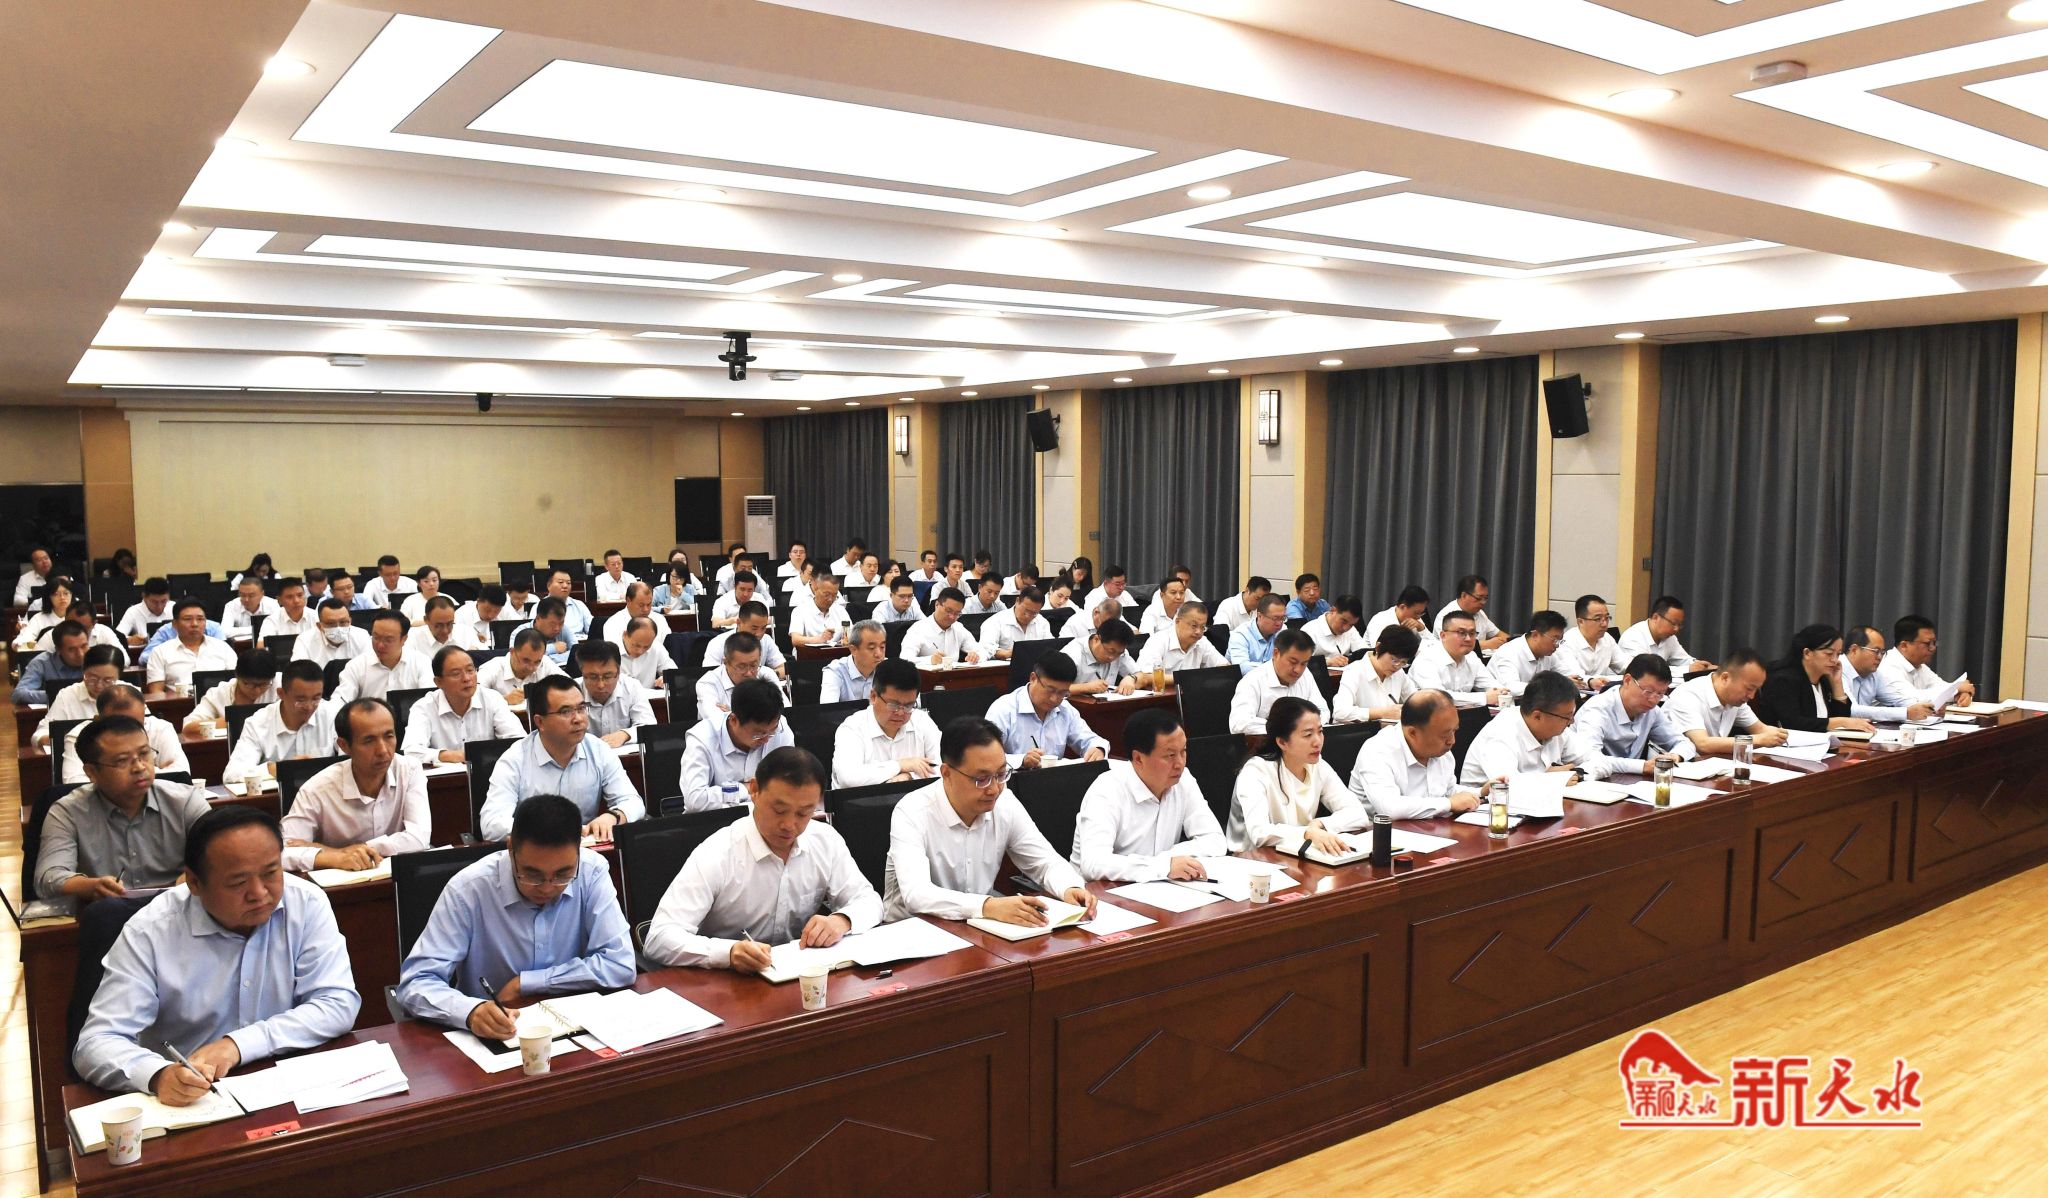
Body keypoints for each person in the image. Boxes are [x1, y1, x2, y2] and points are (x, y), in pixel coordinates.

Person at [72, 806, 360, 1103]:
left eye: (271, 873)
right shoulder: (150, 931)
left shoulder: (307, 903)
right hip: (195, 1098)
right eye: (238, 883)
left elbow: (336, 1003)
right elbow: (97, 1043)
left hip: (290, 1085)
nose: (259, 893)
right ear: (194, 882)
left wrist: (237, 1046)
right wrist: (159, 1075)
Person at [396, 794, 634, 1037]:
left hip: (576, 1026)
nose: (547, 887)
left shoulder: (591, 873)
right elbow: (416, 983)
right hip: (494, 1033)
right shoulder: (468, 890)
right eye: (532, 875)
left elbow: (620, 963)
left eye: (563, 874)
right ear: (511, 849)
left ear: (578, 853)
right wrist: (471, 1012)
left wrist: (527, 983)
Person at [646, 746, 879, 971]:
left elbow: (869, 901)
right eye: (779, 810)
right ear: (754, 790)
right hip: (727, 981)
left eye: (803, 813)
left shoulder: (825, 840)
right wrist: (727, 953)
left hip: (799, 973)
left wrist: (843, 920)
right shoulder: (718, 852)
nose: (789, 825)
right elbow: (658, 938)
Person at [883, 717, 1095, 924]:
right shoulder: (912, 811)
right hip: (912, 931)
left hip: (981, 927)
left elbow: (1044, 862)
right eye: (981, 779)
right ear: (947, 773)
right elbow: (917, 894)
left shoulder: (1004, 802)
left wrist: (1069, 887)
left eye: (1001, 774)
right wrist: (987, 906)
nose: (994, 789)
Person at [37, 714, 212, 900]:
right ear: (92, 772)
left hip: (179, 905)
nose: (139, 767)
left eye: (144, 754)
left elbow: (219, 857)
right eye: (122, 760)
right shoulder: (68, 812)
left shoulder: (185, 801)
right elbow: (49, 878)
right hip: (107, 910)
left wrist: (194, 876)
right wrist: (91, 886)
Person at [481, 676, 643, 842]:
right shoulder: (514, 759)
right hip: (536, 849)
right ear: (540, 722)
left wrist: (614, 816)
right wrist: (551, 830)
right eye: (566, 712)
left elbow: (632, 801)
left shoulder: (598, 750)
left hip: (587, 849)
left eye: (581, 708)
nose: (578, 719)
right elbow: (491, 824)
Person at [1073, 709, 1224, 881]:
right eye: (1170, 755)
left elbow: (1215, 840)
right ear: (1138, 758)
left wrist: (1169, 859)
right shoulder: (1107, 790)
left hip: (1158, 886)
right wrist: (1163, 866)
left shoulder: (1184, 780)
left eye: (1183, 751)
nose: (1180, 763)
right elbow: (1093, 864)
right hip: (1100, 891)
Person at [281, 698, 431, 872]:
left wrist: (341, 852)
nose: (383, 750)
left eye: (389, 736)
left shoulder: (409, 770)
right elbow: (283, 851)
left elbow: (419, 838)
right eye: (369, 741)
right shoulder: (317, 789)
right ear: (344, 746)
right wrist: (337, 857)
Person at [1228, 697, 1369, 853]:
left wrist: (1320, 824)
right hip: (1253, 858)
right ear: (1282, 742)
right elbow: (1259, 833)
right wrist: (1307, 833)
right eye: (1308, 735)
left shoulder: (1318, 765)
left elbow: (1358, 813)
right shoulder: (1255, 771)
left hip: (1299, 853)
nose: (1318, 742)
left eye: (1320, 732)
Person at [1346, 689, 1485, 818]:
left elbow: (1448, 791)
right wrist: (1449, 804)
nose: (1452, 741)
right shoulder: (1377, 751)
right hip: (1376, 832)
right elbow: (1390, 808)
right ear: (1412, 733)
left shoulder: (1441, 751)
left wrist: (1480, 792)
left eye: (1454, 731)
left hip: (1427, 828)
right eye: (1445, 735)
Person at [1459, 670, 1602, 785]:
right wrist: (1550, 779)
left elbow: (1600, 760)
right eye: (1567, 717)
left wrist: (1578, 773)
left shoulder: (1556, 726)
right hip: (1487, 808)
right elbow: (1507, 785)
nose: (1571, 722)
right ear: (1537, 716)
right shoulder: (1500, 734)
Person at [677, 678, 794, 811]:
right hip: (717, 819)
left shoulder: (781, 728)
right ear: (734, 720)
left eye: (771, 732)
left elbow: (791, 781)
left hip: (770, 815)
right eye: (758, 734)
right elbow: (695, 800)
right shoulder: (702, 738)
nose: (766, 739)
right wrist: (747, 788)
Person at [984, 652, 1110, 768]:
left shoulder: (1065, 710)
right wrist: (1021, 760)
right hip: (1014, 780)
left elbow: (1090, 739)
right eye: (1050, 690)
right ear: (1033, 678)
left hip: (1054, 779)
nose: (1054, 699)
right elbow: (986, 755)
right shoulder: (1003, 709)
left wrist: (1098, 749)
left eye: (1062, 693)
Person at [404, 646, 525, 763]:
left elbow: (519, 742)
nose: (466, 678)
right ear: (439, 682)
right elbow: (412, 752)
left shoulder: (492, 699)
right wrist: (459, 756)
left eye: (470, 670)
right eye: (456, 674)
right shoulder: (423, 708)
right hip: (448, 776)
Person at [1570, 653, 1689, 773]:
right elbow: (1590, 758)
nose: (1653, 700)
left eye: (1660, 694)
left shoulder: (1652, 711)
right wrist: (1642, 767)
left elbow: (1683, 743)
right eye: (1648, 691)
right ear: (1627, 680)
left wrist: (1675, 756)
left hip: (1631, 779)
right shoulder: (1597, 710)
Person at [832, 659, 942, 787]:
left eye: (909, 706)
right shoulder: (852, 728)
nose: (900, 713)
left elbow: (945, 768)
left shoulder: (922, 721)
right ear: (873, 697)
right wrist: (900, 765)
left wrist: (909, 776)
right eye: (893, 705)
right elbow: (849, 778)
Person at [223, 661, 335, 786]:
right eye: (301, 700)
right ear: (281, 694)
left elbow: (349, 761)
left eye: (316, 698)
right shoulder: (257, 723)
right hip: (278, 796)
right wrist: (278, 769)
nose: (309, 707)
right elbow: (232, 775)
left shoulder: (332, 715)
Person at [1754, 624, 1878, 735]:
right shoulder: (1783, 680)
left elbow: (1842, 718)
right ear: (1807, 653)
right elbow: (1793, 723)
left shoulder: (1824, 679)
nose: (1835, 660)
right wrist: (1841, 722)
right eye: (1829, 654)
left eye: (1838, 654)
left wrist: (1837, 684)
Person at [1663, 649, 1789, 755]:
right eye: (1749, 688)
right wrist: (1758, 740)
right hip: (1674, 768)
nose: (1752, 696)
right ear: (1725, 678)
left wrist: (1779, 735)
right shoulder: (1688, 696)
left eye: (1756, 689)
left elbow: (1760, 729)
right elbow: (1702, 744)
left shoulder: (1735, 700)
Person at [60, 686, 190, 786]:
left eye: (138, 724)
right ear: (99, 719)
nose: (130, 731)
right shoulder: (80, 736)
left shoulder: (160, 728)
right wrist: (156, 770)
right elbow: (74, 784)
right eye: (120, 726)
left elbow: (181, 775)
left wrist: (114, 775)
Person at [1228, 628, 1329, 734]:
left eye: (1304, 663)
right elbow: (1239, 723)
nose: (1298, 670)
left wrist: (1303, 727)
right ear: (1276, 653)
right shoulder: (1252, 681)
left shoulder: (1306, 675)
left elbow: (1322, 711)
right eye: (1293, 662)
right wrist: (1288, 729)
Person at [31, 644, 123, 747]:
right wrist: (55, 739)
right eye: (93, 678)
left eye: (107, 680)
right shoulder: (67, 695)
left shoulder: (130, 695)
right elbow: (40, 734)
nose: (99, 685)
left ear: (118, 677)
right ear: (83, 671)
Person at [1409, 610, 1508, 705]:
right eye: (1461, 633)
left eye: (1472, 633)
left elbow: (1491, 685)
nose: (1468, 639)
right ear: (1443, 636)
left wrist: (1501, 692)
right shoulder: (1426, 660)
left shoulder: (1471, 657)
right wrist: (1484, 698)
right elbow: (1437, 698)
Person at [143, 598, 239, 696]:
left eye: (200, 619)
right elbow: (156, 692)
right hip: (178, 704)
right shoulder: (160, 652)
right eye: (188, 619)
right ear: (175, 624)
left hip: (220, 702)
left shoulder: (222, 648)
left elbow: (237, 682)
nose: (195, 624)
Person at [1839, 625, 1934, 722]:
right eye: (1876, 651)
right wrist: (1906, 713)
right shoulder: (1837, 669)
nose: (1880, 657)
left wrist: (1927, 708)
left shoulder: (1875, 674)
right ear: (1854, 650)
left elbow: (1898, 699)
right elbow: (1851, 710)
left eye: (1882, 652)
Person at [333, 610, 432, 702]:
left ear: (404, 639)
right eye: (376, 637)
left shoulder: (421, 662)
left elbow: (428, 700)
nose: (380, 645)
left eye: (388, 640)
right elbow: (340, 700)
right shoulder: (356, 666)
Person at [1880, 614, 1977, 709]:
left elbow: (1942, 687)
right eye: (1927, 643)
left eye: (1934, 643)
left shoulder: (1919, 666)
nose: (1933, 648)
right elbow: (1911, 699)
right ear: (1904, 646)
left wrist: (1963, 694)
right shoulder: (1888, 666)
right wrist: (1956, 689)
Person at [181, 649, 278, 739]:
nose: (257, 691)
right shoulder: (218, 694)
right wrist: (231, 722)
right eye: (249, 684)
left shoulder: (280, 686)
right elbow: (188, 728)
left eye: (264, 684)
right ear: (237, 676)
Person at [575, 639, 656, 747]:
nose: (601, 685)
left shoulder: (632, 687)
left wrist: (625, 734)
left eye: (607, 676)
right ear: (582, 673)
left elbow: (649, 725)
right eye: (593, 677)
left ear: (618, 673)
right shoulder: (572, 693)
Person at [1332, 626, 1420, 724]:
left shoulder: (1399, 673)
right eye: (1394, 660)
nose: (1397, 666)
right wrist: (1382, 713)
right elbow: (1340, 712)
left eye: (1404, 662)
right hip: (1362, 731)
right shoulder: (1354, 671)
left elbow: (1417, 702)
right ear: (1378, 647)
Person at [695, 630, 775, 724]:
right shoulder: (707, 683)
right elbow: (717, 723)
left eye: (753, 665)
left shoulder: (766, 675)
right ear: (725, 662)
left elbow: (782, 713)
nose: (749, 673)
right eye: (742, 667)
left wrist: (731, 714)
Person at [1618, 595, 1713, 675]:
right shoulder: (1633, 638)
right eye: (1673, 623)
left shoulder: (1669, 637)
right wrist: (1688, 669)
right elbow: (1646, 671)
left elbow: (1683, 659)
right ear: (1656, 617)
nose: (1676, 629)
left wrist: (1702, 666)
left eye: (1679, 625)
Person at [1488, 610, 1571, 694]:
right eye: (1555, 639)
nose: (1557, 645)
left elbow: (1565, 672)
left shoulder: (1548, 653)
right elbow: (1511, 688)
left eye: (1560, 640)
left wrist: (1569, 680)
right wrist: (1551, 687)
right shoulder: (1508, 653)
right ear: (1535, 635)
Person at [703, 602, 789, 681]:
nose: (759, 634)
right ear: (739, 623)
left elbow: (785, 669)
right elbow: (709, 676)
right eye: (754, 628)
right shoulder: (717, 643)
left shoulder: (766, 640)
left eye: (763, 628)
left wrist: (769, 675)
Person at [1136, 600, 1226, 674]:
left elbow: (1224, 667)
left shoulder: (1202, 641)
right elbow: (1145, 676)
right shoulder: (1158, 641)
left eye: (1203, 627)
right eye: (1194, 626)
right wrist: (1188, 679)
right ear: (1177, 622)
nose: (1198, 632)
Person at [478, 628, 564, 701]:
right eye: (526, 660)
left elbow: (568, 687)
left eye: (537, 662)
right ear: (512, 652)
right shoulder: (492, 668)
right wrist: (504, 699)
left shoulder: (545, 662)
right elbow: (474, 696)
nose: (531, 668)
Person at [901, 587, 980, 663]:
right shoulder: (918, 629)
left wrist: (975, 656)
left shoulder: (958, 628)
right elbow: (905, 659)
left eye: (957, 613)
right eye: (948, 611)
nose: (952, 617)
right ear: (937, 604)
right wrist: (929, 660)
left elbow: (980, 651)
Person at [1556, 594, 1623, 683]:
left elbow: (1624, 665)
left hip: (1602, 688)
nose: (1604, 624)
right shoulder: (1566, 643)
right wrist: (1593, 681)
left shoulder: (1607, 638)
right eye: (1598, 619)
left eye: (1607, 618)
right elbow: (1577, 678)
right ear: (1580, 621)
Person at [16, 619, 87, 703]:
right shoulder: (42, 663)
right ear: (58, 649)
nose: (80, 654)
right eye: (72, 649)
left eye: (84, 646)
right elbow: (18, 694)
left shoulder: (96, 659)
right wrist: (57, 696)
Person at [1435, 574, 1510, 651]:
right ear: (1464, 595)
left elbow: (1499, 634)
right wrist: (1487, 644)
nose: (1483, 602)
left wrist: (1510, 641)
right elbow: (1451, 645)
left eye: (1485, 598)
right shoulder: (1446, 616)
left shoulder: (1479, 613)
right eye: (1479, 598)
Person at [1064, 617, 1139, 694]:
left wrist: (1132, 678)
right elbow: (1056, 687)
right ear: (1096, 639)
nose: (1112, 657)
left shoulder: (1119, 651)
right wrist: (1085, 688)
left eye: (1118, 654)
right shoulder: (1072, 653)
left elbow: (1142, 675)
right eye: (1110, 651)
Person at [823, 621, 889, 703]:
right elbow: (828, 709)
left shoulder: (890, 668)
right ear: (853, 650)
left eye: (882, 647)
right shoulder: (835, 672)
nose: (879, 654)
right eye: (872, 648)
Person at [291, 598, 370, 666]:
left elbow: (370, 667)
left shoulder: (362, 636)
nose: (338, 628)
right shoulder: (304, 641)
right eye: (331, 623)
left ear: (350, 621)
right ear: (319, 626)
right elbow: (299, 672)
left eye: (343, 622)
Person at [978, 586, 1050, 660]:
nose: (1028, 616)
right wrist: (1009, 653)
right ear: (1017, 601)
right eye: (1026, 610)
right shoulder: (994, 622)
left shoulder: (1042, 622)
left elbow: (1050, 646)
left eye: (1034, 613)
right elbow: (986, 649)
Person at [1228, 592, 1288, 674]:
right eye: (1275, 618)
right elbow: (1241, 667)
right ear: (1260, 616)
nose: (1279, 623)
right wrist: (1275, 667)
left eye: (1283, 618)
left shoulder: (1283, 630)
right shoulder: (1240, 634)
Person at [407, 594, 482, 659]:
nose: (445, 630)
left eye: (450, 624)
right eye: (438, 626)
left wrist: (474, 654)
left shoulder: (466, 632)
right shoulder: (412, 637)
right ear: (426, 620)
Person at [1300, 594, 1368, 665]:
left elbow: (1364, 652)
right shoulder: (1309, 630)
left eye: (1351, 625)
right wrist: (1327, 662)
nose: (1346, 628)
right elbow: (1301, 661)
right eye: (1343, 621)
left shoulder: (1351, 630)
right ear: (1333, 610)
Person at [789, 574, 851, 646]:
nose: (830, 599)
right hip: (808, 652)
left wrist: (846, 640)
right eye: (826, 595)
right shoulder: (800, 611)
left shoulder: (840, 610)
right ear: (815, 590)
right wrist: (819, 639)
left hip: (835, 651)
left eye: (834, 595)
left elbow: (851, 635)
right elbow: (796, 640)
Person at [619, 616, 677, 692]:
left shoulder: (656, 647)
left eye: (646, 647)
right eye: (636, 645)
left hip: (650, 697)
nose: (640, 651)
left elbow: (674, 674)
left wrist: (667, 678)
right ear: (625, 635)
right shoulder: (611, 651)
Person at [517, 595, 578, 667]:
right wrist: (553, 648)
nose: (557, 628)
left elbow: (576, 653)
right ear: (538, 618)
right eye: (552, 624)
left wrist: (546, 658)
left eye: (561, 623)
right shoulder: (520, 633)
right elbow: (521, 659)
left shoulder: (564, 629)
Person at [541, 568, 596, 645]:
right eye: (560, 582)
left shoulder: (579, 605)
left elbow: (592, 629)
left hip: (579, 645)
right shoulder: (539, 606)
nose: (565, 586)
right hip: (553, 646)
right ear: (549, 586)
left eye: (568, 583)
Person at [218, 575, 280, 643]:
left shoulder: (272, 604)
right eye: (242, 595)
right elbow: (224, 631)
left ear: (262, 594)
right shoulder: (231, 606)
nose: (246, 599)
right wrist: (254, 630)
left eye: (251, 595)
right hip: (241, 646)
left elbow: (279, 628)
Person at [116, 576, 174, 647]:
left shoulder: (174, 608)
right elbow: (117, 637)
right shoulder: (133, 611)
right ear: (144, 596)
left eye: (163, 601)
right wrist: (129, 640)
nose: (159, 606)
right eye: (154, 602)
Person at [264, 576, 319, 642]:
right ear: (279, 600)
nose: (296, 601)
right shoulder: (272, 620)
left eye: (300, 595)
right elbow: (261, 645)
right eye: (289, 597)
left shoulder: (316, 616)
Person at [453, 583, 508, 648]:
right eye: (487, 610)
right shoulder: (461, 616)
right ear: (478, 601)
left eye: (496, 611)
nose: (491, 616)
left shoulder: (506, 612)